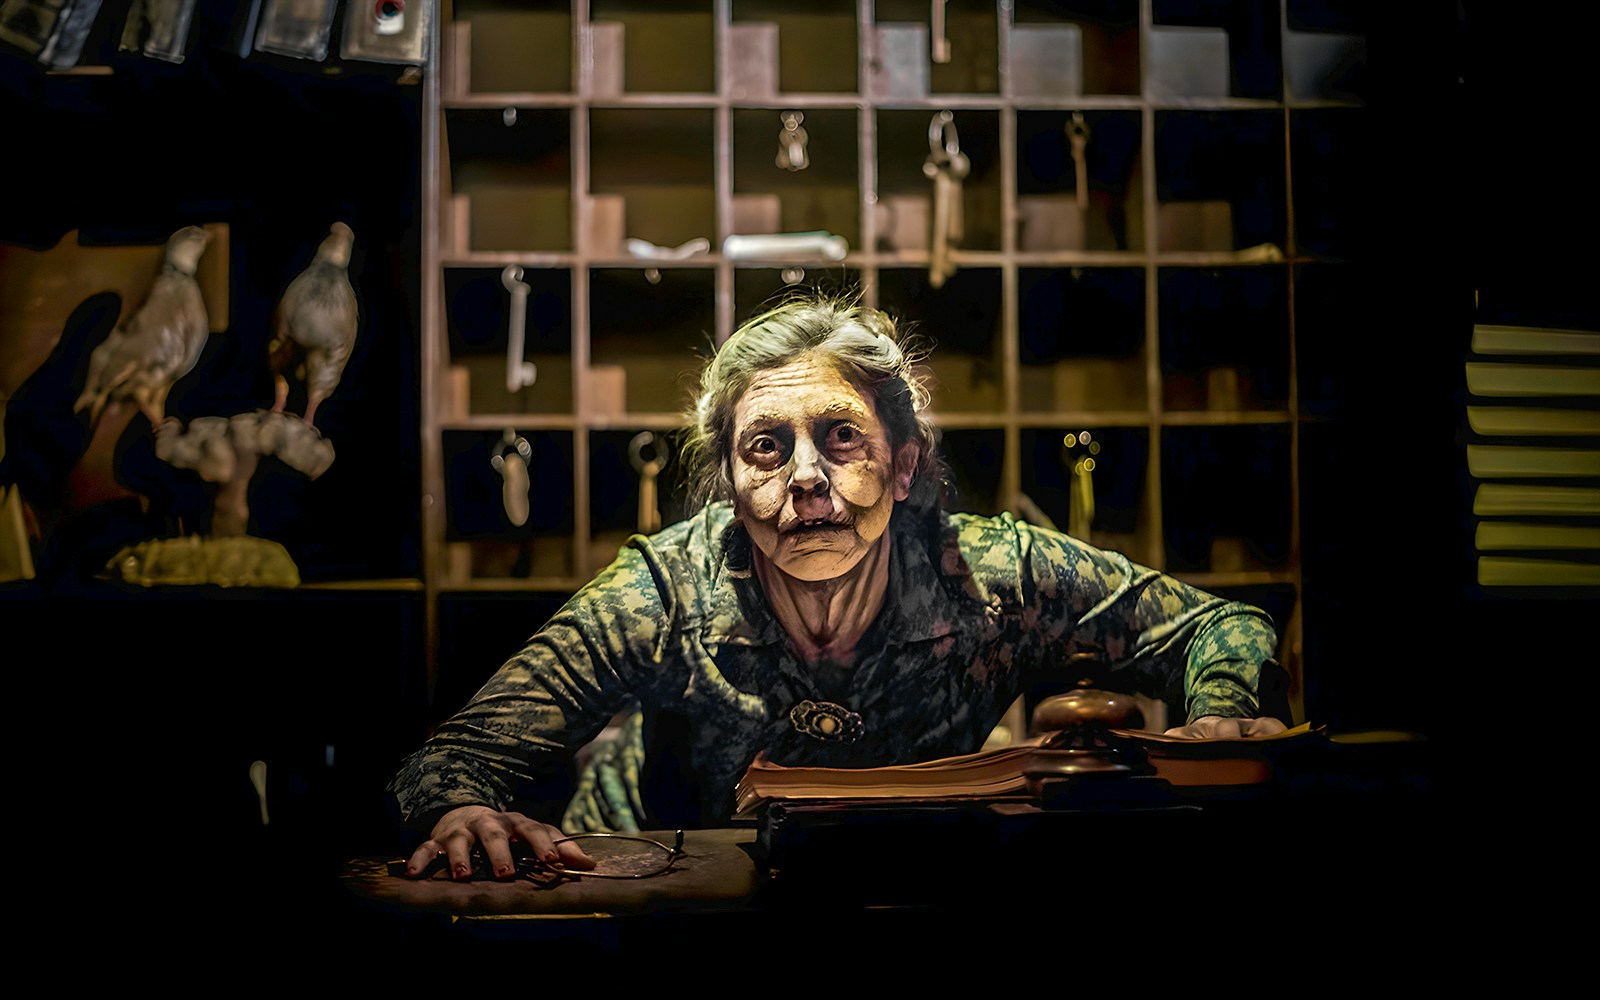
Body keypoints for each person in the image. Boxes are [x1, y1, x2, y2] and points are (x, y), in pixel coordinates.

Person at [389, 292, 1289, 881]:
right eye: (768, 446)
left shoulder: (994, 575)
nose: (808, 477)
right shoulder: (664, 589)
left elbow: (1221, 626)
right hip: (672, 894)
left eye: (842, 437)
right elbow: (450, 756)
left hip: (905, 886)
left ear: (903, 468)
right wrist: (462, 806)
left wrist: (1217, 713)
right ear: (734, 487)